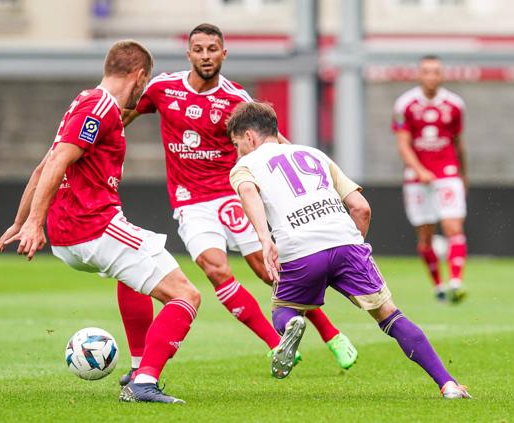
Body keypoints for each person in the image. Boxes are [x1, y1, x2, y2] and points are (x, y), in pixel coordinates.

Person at [116, 23, 357, 383]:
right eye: (199, 49)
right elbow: (121, 116)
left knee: (268, 270)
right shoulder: (162, 89)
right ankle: (278, 342)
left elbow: (273, 141)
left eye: (213, 49)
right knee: (215, 269)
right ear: (189, 54)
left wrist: (306, 173)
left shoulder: (235, 99)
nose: (206, 56)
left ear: (223, 53)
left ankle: (330, 332)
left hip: (232, 193)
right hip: (190, 202)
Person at [0, 40, 200, 404]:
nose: (143, 91)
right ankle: (144, 383)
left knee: (135, 277)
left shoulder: (84, 100)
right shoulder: (101, 106)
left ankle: (138, 367)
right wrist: (32, 224)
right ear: (138, 76)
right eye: (145, 81)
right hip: (91, 225)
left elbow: (46, 163)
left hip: (72, 233)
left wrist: (20, 220)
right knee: (186, 295)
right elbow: (57, 162)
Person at [228, 101, 471, 399]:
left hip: (299, 248)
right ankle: (448, 384)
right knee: (390, 315)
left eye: (237, 143)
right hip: (346, 242)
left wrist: (265, 239)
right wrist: (354, 245)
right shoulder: (315, 154)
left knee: (284, 309)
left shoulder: (244, 166)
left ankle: (293, 322)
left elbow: (249, 192)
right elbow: (361, 208)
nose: (237, 150)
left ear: (250, 137)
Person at [392, 55, 468, 303]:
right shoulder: (405, 104)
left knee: (453, 227)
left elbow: (458, 142)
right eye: (427, 71)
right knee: (426, 235)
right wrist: (419, 169)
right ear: (419, 74)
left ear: (442, 75)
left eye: (436, 72)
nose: (432, 76)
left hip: (447, 173)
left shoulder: (455, 104)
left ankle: (456, 282)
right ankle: (438, 286)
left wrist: (463, 173)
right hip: (417, 179)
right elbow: (403, 145)